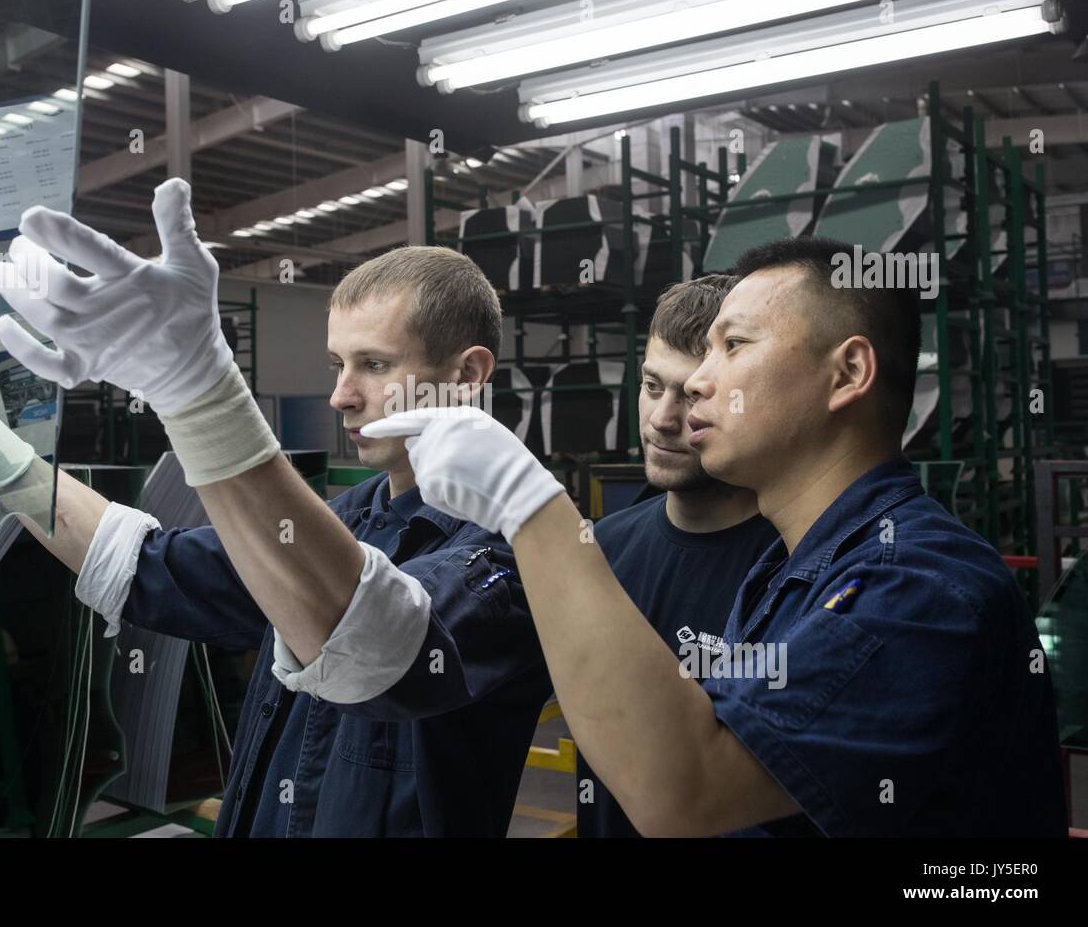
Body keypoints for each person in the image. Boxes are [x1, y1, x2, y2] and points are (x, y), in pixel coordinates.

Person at [0, 179, 552, 837]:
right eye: (338, 366)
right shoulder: (344, 522)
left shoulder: (516, 549)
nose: (341, 397)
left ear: (467, 374)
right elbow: (137, 563)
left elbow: (376, 650)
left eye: (376, 365)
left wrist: (197, 389)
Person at [368, 235, 1068, 836]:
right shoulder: (788, 573)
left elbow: (684, 790)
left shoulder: (918, 587)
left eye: (733, 346)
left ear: (848, 372)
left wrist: (532, 509)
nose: (698, 383)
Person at [580, 273, 778, 838]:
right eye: (650, 385)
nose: (662, 420)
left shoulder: (798, 569)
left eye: (692, 395)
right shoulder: (603, 547)